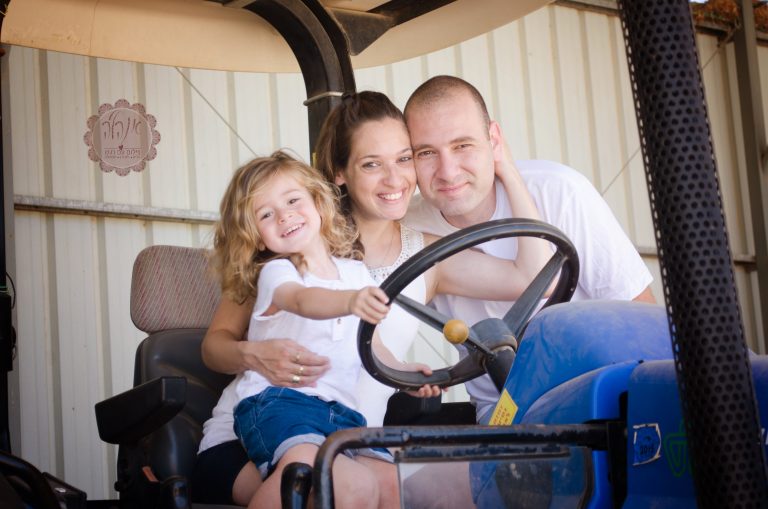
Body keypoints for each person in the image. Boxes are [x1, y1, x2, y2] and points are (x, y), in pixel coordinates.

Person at [191, 91, 553, 507]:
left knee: (460, 489)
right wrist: (254, 355)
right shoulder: (292, 247)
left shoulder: (425, 257)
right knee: (333, 487)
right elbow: (214, 347)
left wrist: (503, 166)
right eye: (371, 164)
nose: (394, 179)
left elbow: (533, 278)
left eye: (404, 159)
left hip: (349, 436)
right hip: (254, 436)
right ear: (339, 172)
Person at [402, 74, 656, 424]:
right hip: (502, 413)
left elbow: (641, 316)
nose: (447, 171)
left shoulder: (560, 193)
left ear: (493, 139)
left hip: (598, 399)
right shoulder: (407, 228)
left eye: (462, 146)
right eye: (427, 153)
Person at [210, 151, 442, 509]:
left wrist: (404, 374)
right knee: (324, 478)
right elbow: (302, 300)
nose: (284, 216)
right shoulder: (277, 273)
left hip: (339, 410)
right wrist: (350, 301)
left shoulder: (355, 273)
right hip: (279, 404)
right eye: (266, 214)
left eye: (293, 201)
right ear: (256, 238)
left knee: (390, 484)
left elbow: (373, 347)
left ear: (319, 203)